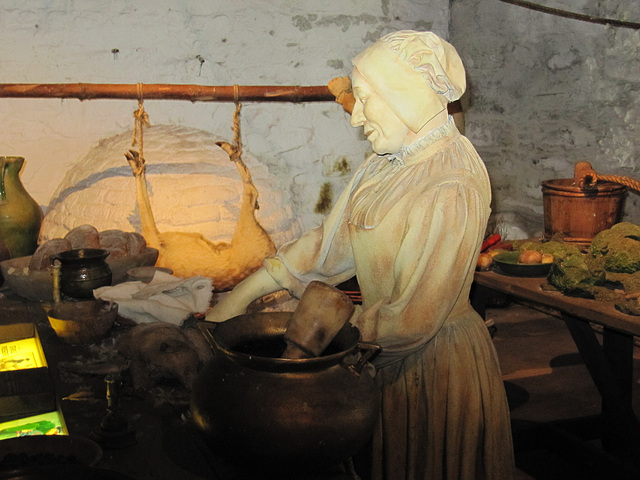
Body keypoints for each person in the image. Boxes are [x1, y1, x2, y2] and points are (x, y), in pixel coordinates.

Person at [206, 30, 516, 480]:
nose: (356, 118)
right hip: (384, 353)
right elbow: (328, 246)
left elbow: (411, 320)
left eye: (368, 100)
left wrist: (323, 350)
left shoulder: (451, 184)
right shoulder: (384, 163)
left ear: (407, 96)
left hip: (431, 365)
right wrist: (240, 296)